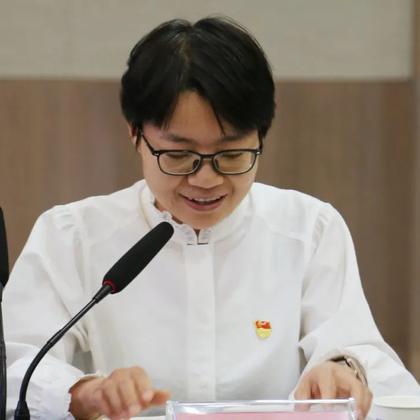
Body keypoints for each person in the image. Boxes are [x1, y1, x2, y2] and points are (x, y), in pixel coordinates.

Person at [4, 16, 420, 420]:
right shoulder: (71, 236)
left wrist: (344, 372)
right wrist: (86, 394)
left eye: (232, 155)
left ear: (261, 136)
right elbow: (16, 368)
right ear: (135, 133)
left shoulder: (309, 229)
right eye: (179, 155)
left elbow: (363, 355)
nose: (206, 179)